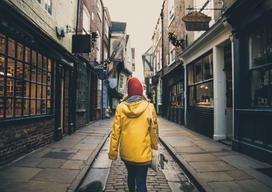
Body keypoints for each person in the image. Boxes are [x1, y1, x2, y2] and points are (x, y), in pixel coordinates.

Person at [108, 77, 158, 192]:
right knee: (141, 182)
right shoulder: (149, 107)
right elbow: (154, 131)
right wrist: (154, 147)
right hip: (144, 152)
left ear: (128, 92)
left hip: (127, 153)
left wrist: (113, 153)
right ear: (141, 91)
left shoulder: (121, 108)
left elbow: (115, 133)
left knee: (131, 176)